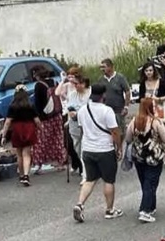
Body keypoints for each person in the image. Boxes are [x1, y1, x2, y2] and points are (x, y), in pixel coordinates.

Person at [73, 83, 123, 223]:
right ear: (104, 95)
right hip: (104, 149)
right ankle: (109, 210)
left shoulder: (83, 110)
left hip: (88, 149)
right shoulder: (107, 111)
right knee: (108, 180)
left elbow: (82, 129)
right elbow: (114, 131)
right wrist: (119, 147)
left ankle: (80, 204)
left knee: (90, 179)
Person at [1, 87, 41, 186]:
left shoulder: (12, 106)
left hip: (17, 129)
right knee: (27, 154)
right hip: (29, 128)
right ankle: (27, 175)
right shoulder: (30, 105)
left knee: (19, 154)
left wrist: (3, 136)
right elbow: (36, 120)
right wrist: (41, 128)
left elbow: (7, 122)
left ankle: (21, 174)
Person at [31, 66, 67, 173]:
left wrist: (37, 117)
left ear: (37, 75)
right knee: (58, 139)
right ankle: (60, 161)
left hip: (45, 117)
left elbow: (38, 104)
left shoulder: (39, 85)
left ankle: (39, 164)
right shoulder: (54, 82)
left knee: (41, 141)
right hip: (56, 115)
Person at [60, 74, 91, 175]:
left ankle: (87, 171)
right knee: (77, 147)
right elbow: (69, 108)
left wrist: (79, 113)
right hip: (74, 124)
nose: (75, 86)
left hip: (88, 124)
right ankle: (84, 167)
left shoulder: (90, 93)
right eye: (74, 84)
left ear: (83, 84)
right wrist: (69, 118)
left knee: (87, 147)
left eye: (76, 84)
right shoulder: (72, 94)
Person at [100, 59, 132, 133]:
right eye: (101, 67)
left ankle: (120, 144)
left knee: (120, 131)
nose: (102, 69)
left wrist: (126, 107)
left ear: (110, 67)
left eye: (104, 67)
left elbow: (127, 91)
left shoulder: (120, 78)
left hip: (119, 110)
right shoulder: (101, 80)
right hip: (106, 110)